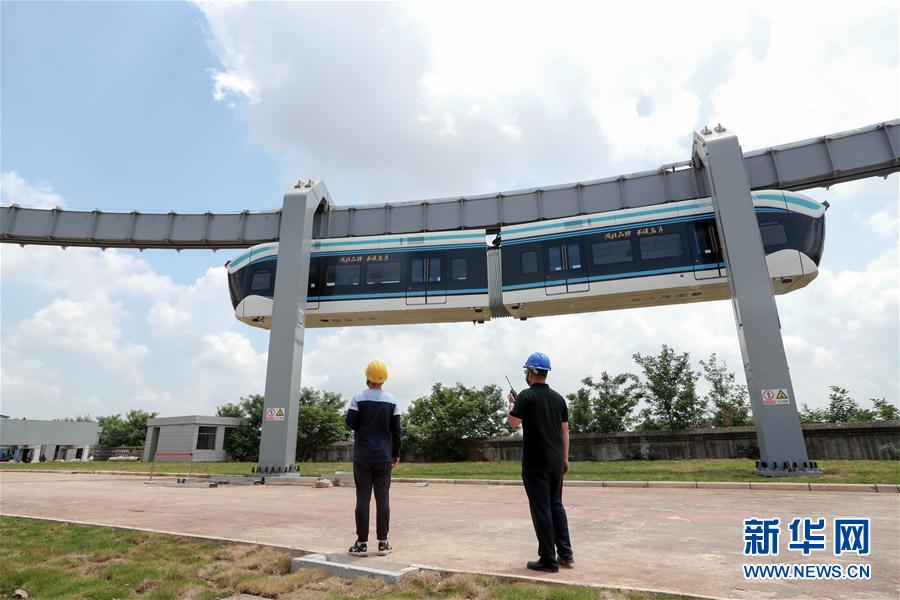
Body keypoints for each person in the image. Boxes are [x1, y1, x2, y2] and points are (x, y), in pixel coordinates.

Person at [508, 351, 573, 573]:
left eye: (527, 370)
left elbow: (514, 423)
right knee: (556, 505)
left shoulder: (525, 396)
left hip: (535, 461)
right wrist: (565, 457)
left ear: (531, 372)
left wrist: (511, 405)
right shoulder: (558, 398)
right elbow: (565, 431)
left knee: (541, 509)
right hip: (556, 461)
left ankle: (548, 559)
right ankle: (565, 553)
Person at [344, 359, 402, 557]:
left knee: (363, 498)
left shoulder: (358, 397)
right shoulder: (392, 401)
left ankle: (361, 544)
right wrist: (396, 453)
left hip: (362, 456)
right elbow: (397, 431)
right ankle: (383, 543)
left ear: (367, 376)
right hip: (384, 457)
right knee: (382, 498)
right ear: (384, 379)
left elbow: (350, 423)